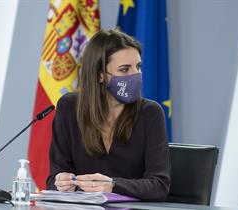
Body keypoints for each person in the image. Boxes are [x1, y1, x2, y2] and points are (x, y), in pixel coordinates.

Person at [46, 29, 171, 201]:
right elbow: (54, 177)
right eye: (125, 69)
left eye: (138, 67)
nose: (136, 75)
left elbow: (159, 186)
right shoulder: (69, 108)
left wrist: (113, 185)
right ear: (100, 75)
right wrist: (60, 183)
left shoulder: (150, 113)